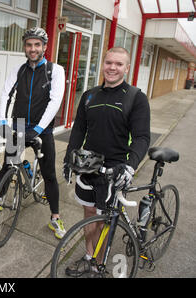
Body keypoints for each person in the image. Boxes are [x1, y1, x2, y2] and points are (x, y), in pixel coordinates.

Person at [63, 47, 150, 275]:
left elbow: (142, 137)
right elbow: (79, 129)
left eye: (119, 64)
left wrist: (130, 166)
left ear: (127, 68)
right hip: (88, 165)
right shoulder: (90, 95)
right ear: (103, 64)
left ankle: (97, 264)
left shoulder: (136, 98)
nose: (112, 67)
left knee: (104, 220)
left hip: (116, 170)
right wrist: (68, 158)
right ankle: (90, 256)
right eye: (109, 62)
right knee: (89, 214)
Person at [0, 27, 67, 239]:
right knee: (8, 165)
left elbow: (55, 101)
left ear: (44, 47)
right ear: (25, 47)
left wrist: (39, 129)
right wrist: (4, 122)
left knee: (50, 174)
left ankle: (55, 217)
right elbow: (6, 94)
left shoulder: (55, 70)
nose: (32, 49)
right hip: (20, 123)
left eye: (37, 45)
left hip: (42, 128)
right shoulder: (19, 70)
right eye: (29, 45)